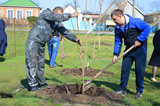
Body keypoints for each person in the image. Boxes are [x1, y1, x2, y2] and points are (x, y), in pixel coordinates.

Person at [26, 7, 81, 92]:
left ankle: (41, 82)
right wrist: (71, 15)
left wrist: (75, 39)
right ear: (54, 12)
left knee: (41, 63)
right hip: (34, 40)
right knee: (32, 62)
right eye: (58, 15)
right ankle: (33, 84)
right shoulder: (46, 13)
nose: (59, 18)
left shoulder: (56, 22)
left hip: (42, 42)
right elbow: (55, 17)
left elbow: (64, 31)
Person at [111, 9, 151, 98]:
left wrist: (140, 40)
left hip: (140, 50)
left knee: (139, 70)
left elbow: (147, 28)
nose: (114, 21)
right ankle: (122, 89)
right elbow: (118, 42)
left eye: (115, 19)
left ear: (120, 16)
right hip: (128, 50)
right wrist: (115, 54)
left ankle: (139, 91)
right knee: (125, 69)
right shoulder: (117, 28)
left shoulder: (135, 21)